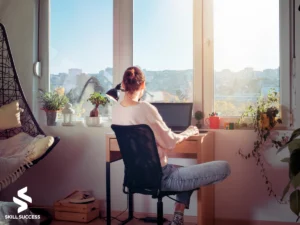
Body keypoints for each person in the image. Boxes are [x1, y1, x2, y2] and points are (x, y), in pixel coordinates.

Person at [112, 66, 231, 225]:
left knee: (184, 172)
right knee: (224, 167)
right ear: (143, 85)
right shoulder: (145, 108)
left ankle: (178, 216)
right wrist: (188, 132)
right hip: (161, 178)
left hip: (134, 177)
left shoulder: (116, 111)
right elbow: (169, 142)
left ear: (123, 84)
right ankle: (177, 218)